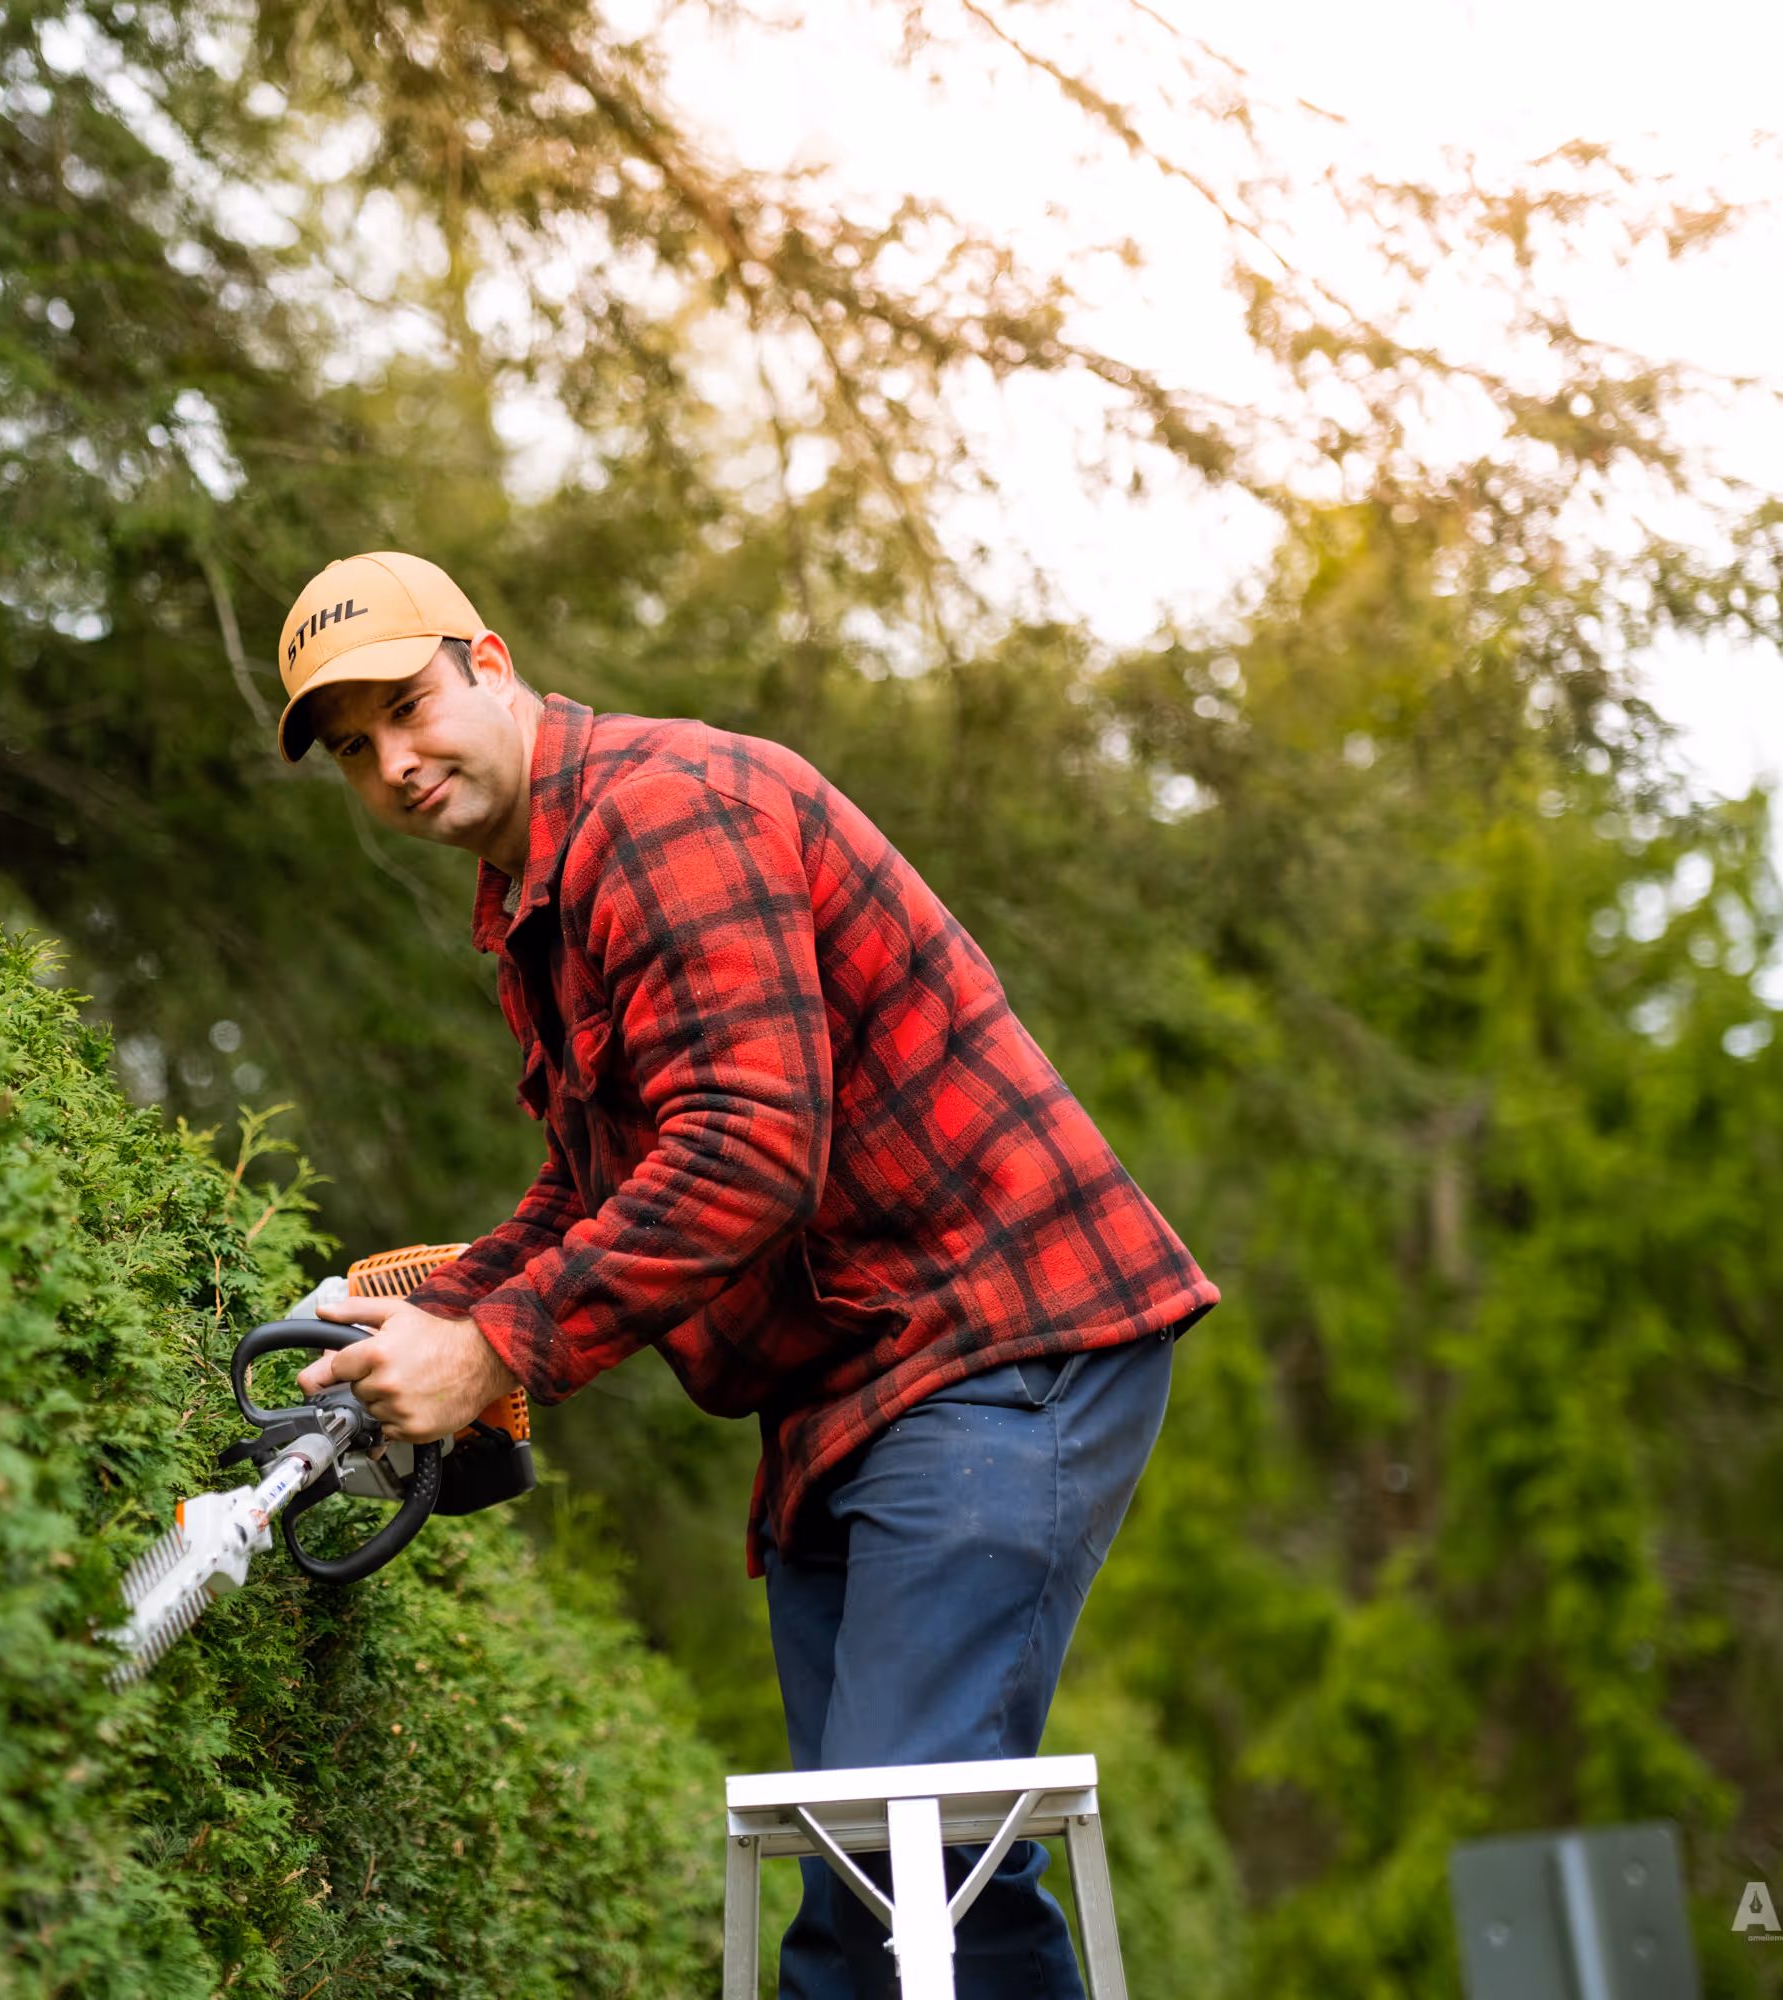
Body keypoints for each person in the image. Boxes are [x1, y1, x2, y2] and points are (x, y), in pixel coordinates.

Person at [276, 551, 1219, 2000]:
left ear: (489, 660)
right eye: (354, 750)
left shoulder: (662, 814)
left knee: (891, 1842)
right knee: (908, 1860)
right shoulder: (543, 888)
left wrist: (494, 1352)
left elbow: (752, 1149)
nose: (395, 763)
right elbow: (606, 1184)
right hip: (853, 1392)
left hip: (992, 1344)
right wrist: (440, 1307)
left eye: (407, 707)